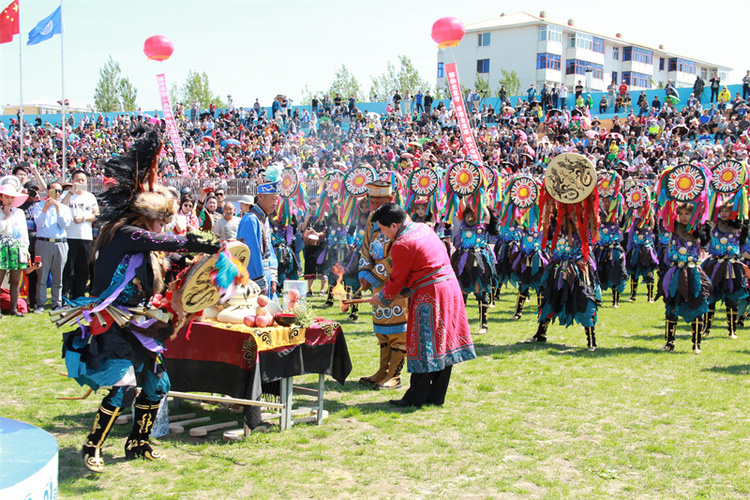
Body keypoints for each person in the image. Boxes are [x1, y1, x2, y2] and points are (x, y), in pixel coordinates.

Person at [61, 126, 221, 473]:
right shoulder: (125, 234)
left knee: (157, 385)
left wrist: (197, 262)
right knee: (123, 388)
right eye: (160, 222)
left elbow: (168, 256)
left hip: (139, 324)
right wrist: (200, 243)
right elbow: (167, 244)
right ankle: (93, 446)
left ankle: (138, 442)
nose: (163, 229)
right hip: (110, 323)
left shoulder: (145, 242)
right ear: (146, 217)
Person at [368, 203, 476, 408]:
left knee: (423, 343)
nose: (384, 235)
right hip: (450, 287)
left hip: (431, 292)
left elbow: (397, 279)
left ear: (393, 225)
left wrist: (381, 297)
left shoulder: (402, 243)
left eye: (383, 230)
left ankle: (414, 397)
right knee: (442, 342)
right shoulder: (423, 228)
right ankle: (436, 395)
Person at [358, 181, 408, 390]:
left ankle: (394, 375)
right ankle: (382, 371)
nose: (375, 207)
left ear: (390, 200)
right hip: (377, 282)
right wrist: (363, 271)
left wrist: (373, 276)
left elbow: (396, 257)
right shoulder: (372, 218)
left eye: (380, 203)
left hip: (395, 282)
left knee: (397, 330)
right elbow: (366, 247)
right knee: (382, 329)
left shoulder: (401, 221)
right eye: (372, 202)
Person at [658, 202, 711, 353]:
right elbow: (664, 215)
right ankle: (669, 342)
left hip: (693, 270)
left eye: (687, 214)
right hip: (675, 271)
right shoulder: (673, 227)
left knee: (697, 304)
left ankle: (696, 343)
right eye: (681, 214)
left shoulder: (696, 230)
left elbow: (706, 238)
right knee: (671, 306)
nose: (684, 217)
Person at [236, 167, 281, 297]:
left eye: (276, 199)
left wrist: (273, 276)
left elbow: (269, 251)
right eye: (273, 199)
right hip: (254, 280)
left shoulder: (263, 219)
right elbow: (251, 254)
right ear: (260, 197)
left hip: (266, 277)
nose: (275, 203)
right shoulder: (250, 220)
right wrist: (260, 283)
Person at [33, 180, 71, 312]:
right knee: (42, 275)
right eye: (54, 191)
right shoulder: (38, 206)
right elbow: (39, 223)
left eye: (60, 191)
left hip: (60, 243)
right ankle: (41, 303)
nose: (57, 194)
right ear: (48, 191)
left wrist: (58, 209)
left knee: (58, 276)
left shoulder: (65, 208)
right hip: (43, 243)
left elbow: (65, 224)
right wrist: (45, 209)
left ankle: (57, 302)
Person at [61, 169, 99, 299]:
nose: (80, 182)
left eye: (83, 180)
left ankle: (79, 295)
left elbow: (96, 214)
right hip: (68, 236)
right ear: (72, 181)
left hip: (85, 237)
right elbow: (60, 208)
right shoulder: (66, 194)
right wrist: (71, 192)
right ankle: (64, 295)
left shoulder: (90, 196)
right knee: (68, 268)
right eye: (78, 179)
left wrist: (83, 218)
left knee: (83, 269)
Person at [0, 177, 30, 317]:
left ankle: (13, 308)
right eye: (7, 197)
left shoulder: (19, 213)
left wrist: (26, 248)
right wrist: (6, 216)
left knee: (15, 280)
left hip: (17, 246)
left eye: (12, 197)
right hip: (2, 246)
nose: (10, 200)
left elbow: (23, 232)